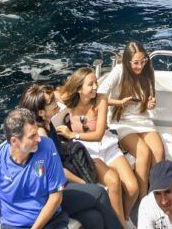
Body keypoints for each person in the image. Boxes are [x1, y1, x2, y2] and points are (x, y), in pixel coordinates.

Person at [19, 83, 123, 229]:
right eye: (52, 102)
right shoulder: (41, 136)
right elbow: (58, 170)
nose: (56, 104)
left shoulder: (48, 123)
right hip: (52, 193)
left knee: (95, 219)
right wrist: (84, 183)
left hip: (60, 184)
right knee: (99, 193)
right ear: (41, 112)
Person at [56, 68, 138, 224]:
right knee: (113, 182)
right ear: (79, 88)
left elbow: (99, 134)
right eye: (90, 84)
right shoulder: (69, 101)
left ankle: (123, 219)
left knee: (133, 188)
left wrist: (73, 134)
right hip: (88, 151)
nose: (95, 87)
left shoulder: (101, 100)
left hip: (106, 145)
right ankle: (120, 225)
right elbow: (54, 94)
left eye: (96, 83)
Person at [99, 42, 166, 198]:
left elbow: (147, 100)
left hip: (142, 119)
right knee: (144, 152)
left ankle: (155, 193)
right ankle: (143, 199)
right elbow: (100, 95)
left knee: (159, 151)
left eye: (143, 61)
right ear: (127, 61)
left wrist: (149, 103)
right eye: (136, 63)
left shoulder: (147, 71)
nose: (140, 66)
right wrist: (120, 102)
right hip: (121, 121)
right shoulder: (119, 71)